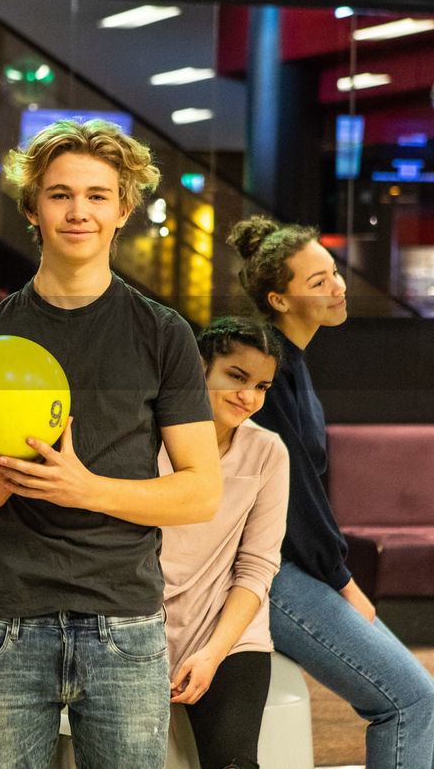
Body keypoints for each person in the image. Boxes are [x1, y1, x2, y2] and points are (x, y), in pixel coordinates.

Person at [0, 119, 223, 768]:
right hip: (7, 619)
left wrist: (85, 488)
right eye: (60, 193)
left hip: (124, 624)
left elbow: (202, 491)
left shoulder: (163, 333)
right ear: (32, 207)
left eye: (97, 194)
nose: (78, 210)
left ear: (123, 209)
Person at [229, 215, 434, 769]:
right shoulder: (266, 370)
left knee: (424, 695)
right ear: (279, 300)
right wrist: (343, 580)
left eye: (335, 273)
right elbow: (295, 499)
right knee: (406, 700)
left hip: (292, 567)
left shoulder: (291, 366)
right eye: (319, 282)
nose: (338, 287)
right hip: (267, 573)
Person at [159, 317, 289, 769]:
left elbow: (257, 568)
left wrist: (213, 654)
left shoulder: (269, 452)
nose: (249, 397)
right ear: (199, 369)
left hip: (228, 635)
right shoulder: (145, 440)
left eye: (262, 386)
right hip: (135, 627)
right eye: (236, 377)